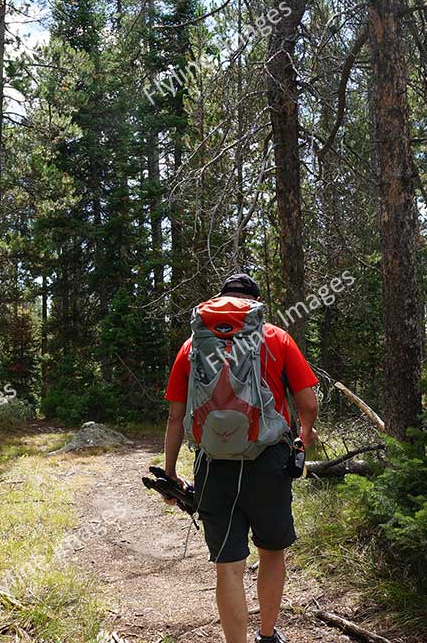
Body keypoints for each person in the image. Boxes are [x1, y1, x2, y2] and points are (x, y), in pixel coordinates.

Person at [162, 273, 319, 643]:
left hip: (213, 466)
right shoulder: (275, 337)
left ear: (220, 302)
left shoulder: (193, 345)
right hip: (269, 461)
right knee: (270, 552)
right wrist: (304, 437)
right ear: (255, 304)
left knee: (229, 566)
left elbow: (174, 415)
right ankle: (267, 636)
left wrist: (170, 473)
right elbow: (308, 401)